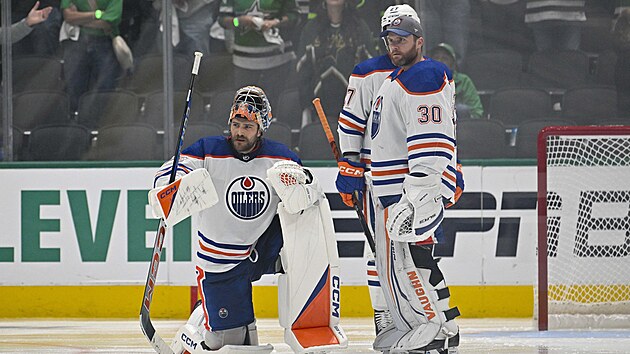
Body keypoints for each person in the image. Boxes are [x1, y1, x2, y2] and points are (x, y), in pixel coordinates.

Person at [153, 86, 347, 353]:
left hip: (262, 249)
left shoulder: (280, 157)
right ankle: (201, 324)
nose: (239, 132)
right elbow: (174, 169)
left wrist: (302, 190)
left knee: (307, 227)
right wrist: (170, 184)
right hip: (221, 261)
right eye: (236, 124)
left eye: (247, 126)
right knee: (235, 343)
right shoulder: (209, 150)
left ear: (261, 127)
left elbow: (310, 189)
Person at [337, 13, 461, 353]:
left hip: (408, 193)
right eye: (390, 39)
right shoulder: (399, 78)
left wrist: (418, 196)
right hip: (390, 194)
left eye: (402, 39)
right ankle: (436, 326)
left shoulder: (425, 75)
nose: (395, 45)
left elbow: (432, 144)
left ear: (419, 41)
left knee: (413, 262)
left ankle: (437, 329)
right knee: (404, 263)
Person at [296, 0, 374, 120]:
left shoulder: (360, 28)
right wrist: (306, 108)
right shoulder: (311, 29)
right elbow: (302, 70)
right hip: (319, 113)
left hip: (354, 112)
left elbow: (372, 70)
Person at [218, 0, 300, 105]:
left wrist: (276, 22)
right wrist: (239, 21)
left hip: (277, 60)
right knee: (246, 106)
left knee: (274, 105)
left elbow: (295, 16)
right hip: (244, 61)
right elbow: (222, 20)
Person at [60, 0, 122, 111]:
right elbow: (68, 16)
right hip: (76, 42)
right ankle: (76, 122)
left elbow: (108, 23)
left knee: (106, 88)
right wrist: (97, 14)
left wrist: (78, 19)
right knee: (74, 88)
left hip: (104, 42)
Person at [429, 42, 484, 119]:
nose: (439, 61)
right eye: (436, 57)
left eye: (445, 58)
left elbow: (476, 111)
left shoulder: (464, 81)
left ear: (453, 63)